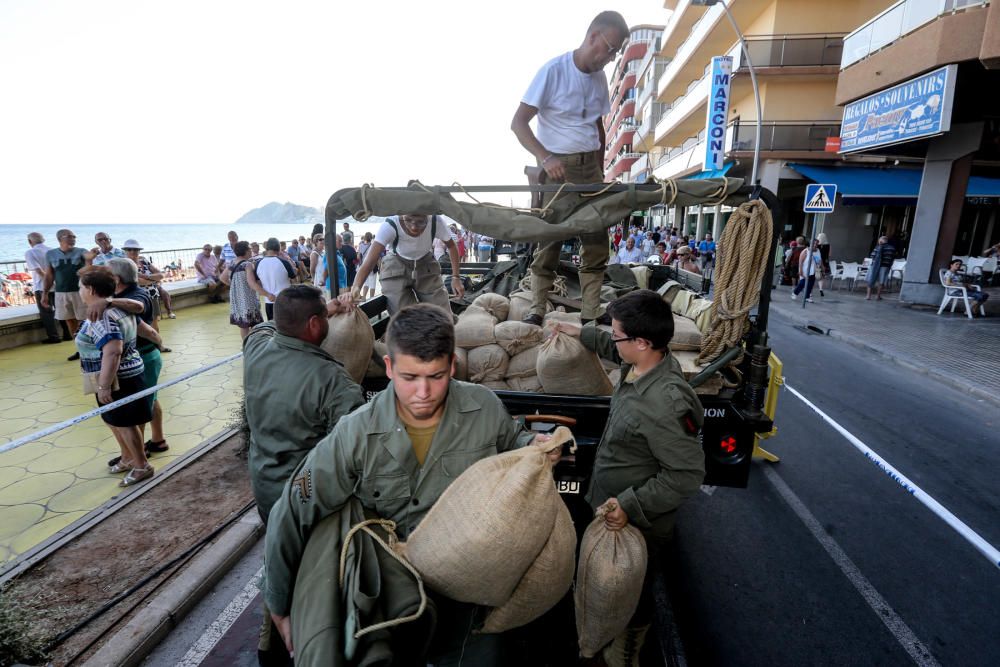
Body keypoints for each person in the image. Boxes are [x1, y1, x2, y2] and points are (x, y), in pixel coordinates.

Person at [263, 303, 554, 665]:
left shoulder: (484, 407)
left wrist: (534, 447)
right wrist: (279, 607)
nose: (423, 392)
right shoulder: (357, 433)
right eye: (409, 378)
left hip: (466, 591)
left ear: (452, 366)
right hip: (390, 595)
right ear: (389, 368)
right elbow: (292, 512)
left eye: (435, 376)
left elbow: (512, 443)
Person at [549, 290, 705, 665]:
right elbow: (606, 341)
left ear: (642, 342)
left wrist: (630, 505)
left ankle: (626, 653)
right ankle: (597, 637)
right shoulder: (640, 365)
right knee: (600, 586)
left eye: (619, 335)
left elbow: (685, 475)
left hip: (635, 523)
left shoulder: (666, 401)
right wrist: (576, 331)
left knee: (631, 594)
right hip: (606, 505)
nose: (612, 340)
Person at [243, 284, 366, 664]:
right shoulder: (333, 380)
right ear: (315, 325)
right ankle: (304, 645)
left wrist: (324, 307)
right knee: (313, 577)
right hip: (304, 500)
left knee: (278, 558)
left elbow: (264, 327)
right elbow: (351, 452)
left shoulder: (257, 350)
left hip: (264, 487)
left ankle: (273, 641)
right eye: (323, 318)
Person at [511, 10, 629, 326]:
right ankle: (537, 307)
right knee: (549, 240)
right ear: (593, 37)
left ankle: (591, 310)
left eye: (615, 52)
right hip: (558, 170)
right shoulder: (553, 71)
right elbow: (518, 123)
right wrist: (546, 157)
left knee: (595, 240)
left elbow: (598, 127)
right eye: (610, 48)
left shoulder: (600, 77)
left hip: (591, 170)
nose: (610, 57)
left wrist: (601, 167)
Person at [75, 266, 157, 487]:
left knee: (124, 423)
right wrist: (159, 341)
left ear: (91, 289)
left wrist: (104, 386)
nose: (79, 290)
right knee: (119, 421)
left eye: (81, 287)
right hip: (131, 370)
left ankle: (141, 466)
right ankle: (128, 458)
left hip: (116, 378)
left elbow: (113, 351)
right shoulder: (119, 308)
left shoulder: (101, 316)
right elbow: (145, 329)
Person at [101, 258, 170, 466]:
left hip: (142, 357)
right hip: (147, 353)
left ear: (116, 278)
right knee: (150, 399)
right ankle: (157, 440)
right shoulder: (124, 293)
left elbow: (139, 308)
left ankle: (135, 454)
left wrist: (108, 302)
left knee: (137, 408)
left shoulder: (135, 294)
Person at [341, 214, 465, 315]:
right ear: (401, 214)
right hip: (396, 264)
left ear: (428, 216)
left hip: (425, 264)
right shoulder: (391, 225)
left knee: (442, 314)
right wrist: (355, 292)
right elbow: (369, 262)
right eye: (408, 220)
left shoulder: (435, 221)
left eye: (421, 221)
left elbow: (452, 247)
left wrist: (456, 277)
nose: (414, 227)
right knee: (406, 317)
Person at [42, 228, 88, 360]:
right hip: (61, 293)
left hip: (80, 292)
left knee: (84, 320)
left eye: (74, 236)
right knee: (69, 320)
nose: (73, 239)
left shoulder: (81, 251)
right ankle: (79, 348)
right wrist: (45, 294)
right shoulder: (50, 254)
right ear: (59, 239)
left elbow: (89, 263)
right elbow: (49, 275)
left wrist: (92, 257)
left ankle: (89, 346)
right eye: (69, 236)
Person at [122, 239, 176, 324]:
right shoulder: (125, 264)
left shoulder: (143, 261)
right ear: (125, 251)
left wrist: (146, 276)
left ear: (139, 251)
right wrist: (153, 279)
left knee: (155, 321)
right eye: (129, 249)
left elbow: (161, 275)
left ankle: (169, 311)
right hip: (137, 297)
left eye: (135, 249)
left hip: (152, 295)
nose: (132, 251)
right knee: (142, 323)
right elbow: (138, 281)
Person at [221, 241, 264, 339]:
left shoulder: (232, 262)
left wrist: (234, 285)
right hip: (248, 298)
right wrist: (266, 293)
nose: (251, 251)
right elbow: (252, 283)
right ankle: (255, 345)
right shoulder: (247, 265)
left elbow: (222, 278)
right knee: (255, 324)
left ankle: (246, 345)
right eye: (249, 249)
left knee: (244, 325)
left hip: (237, 298)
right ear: (245, 251)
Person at [24, 232, 62, 344]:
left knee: (46, 313)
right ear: (43, 239)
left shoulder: (30, 252)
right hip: (57, 285)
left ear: (30, 241)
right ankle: (68, 334)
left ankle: (54, 337)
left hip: (42, 286)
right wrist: (55, 281)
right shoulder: (53, 250)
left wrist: (49, 282)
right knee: (61, 310)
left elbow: (39, 271)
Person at [255, 238, 297, 321]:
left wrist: (267, 293)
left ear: (266, 249)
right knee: (287, 326)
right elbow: (294, 279)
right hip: (285, 300)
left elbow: (257, 283)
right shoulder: (284, 262)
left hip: (269, 301)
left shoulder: (258, 263)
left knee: (272, 327)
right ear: (279, 248)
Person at [865, 235, 896, 301]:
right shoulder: (892, 248)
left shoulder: (877, 247)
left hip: (874, 266)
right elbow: (892, 257)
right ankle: (878, 296)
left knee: (871, 279)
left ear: (881, 240)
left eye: (879, 240)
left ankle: (868, 296)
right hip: (885, 267)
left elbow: (872, 256)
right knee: (881, 282)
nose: (879, 242)